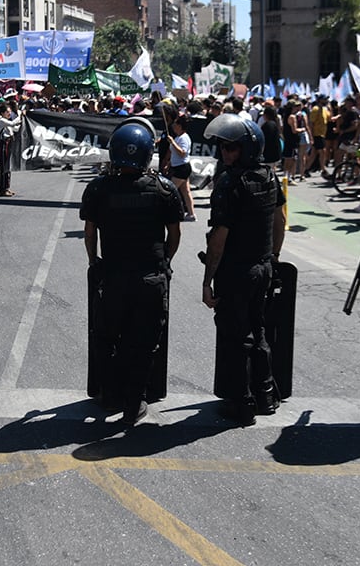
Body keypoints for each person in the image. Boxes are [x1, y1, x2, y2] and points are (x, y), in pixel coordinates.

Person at [80, 120, 183, 423]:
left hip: (113, 276)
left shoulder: (99, 187)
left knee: (105, 338)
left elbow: (90, 233)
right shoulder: (163, 189)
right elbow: (174, 234)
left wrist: (93, 262)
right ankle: (134, 401)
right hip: (150, 277)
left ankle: (110, 392)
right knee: (143, 342)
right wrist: (165, 261)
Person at [201, 113, 287, 425]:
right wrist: (273, 255)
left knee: (236, 337)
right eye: (223, 147)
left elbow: (219, 239)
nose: (225, 153)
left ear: (247, 149)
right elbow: (280, 221)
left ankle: (242, 402)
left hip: (237, 272)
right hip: (262, 268)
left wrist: (207, 280)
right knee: (258, 330)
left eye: (232, 148)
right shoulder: (268, 176)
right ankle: (265, 394)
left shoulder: (230, 184)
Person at [167, 113, 196, 220]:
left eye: (176, 124)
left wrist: (172, 142)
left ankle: (172, 212)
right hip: (179, 166)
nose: (174, 126)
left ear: (180, 126)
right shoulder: (179, 137)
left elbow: (182, 153)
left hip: (182, 168)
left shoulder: (184, 138)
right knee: (185, 191)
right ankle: (191, 213)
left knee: (170, 190)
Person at [0, 99, 22, 197]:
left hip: (9, 144)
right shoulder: (2, 120)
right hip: (2, 145)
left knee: (8, 167)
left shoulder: (7, 121)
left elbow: (15, 128)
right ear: (2, 113)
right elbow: (13, 124)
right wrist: (21, 116)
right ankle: (2, 189)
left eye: (10, 112)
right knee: (3, 167)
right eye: (7, 112)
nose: (9, 113)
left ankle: (7, 187)